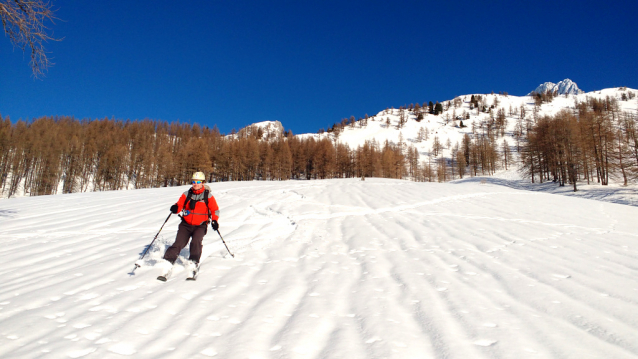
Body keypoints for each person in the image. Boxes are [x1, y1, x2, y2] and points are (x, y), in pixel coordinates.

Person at [162, 171, 219, 268]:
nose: (195, 184)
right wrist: (175, 208)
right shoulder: (186, 194)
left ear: (202, 183)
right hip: (186, 224)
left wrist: (214, 220)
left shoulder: (208, 196)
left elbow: (215, 210)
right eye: (194, 182)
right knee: (179, 242)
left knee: (196, 241)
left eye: (198, 182)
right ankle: (167, 261)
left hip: (201, 225)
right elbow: (179, 204)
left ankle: (193, 261)